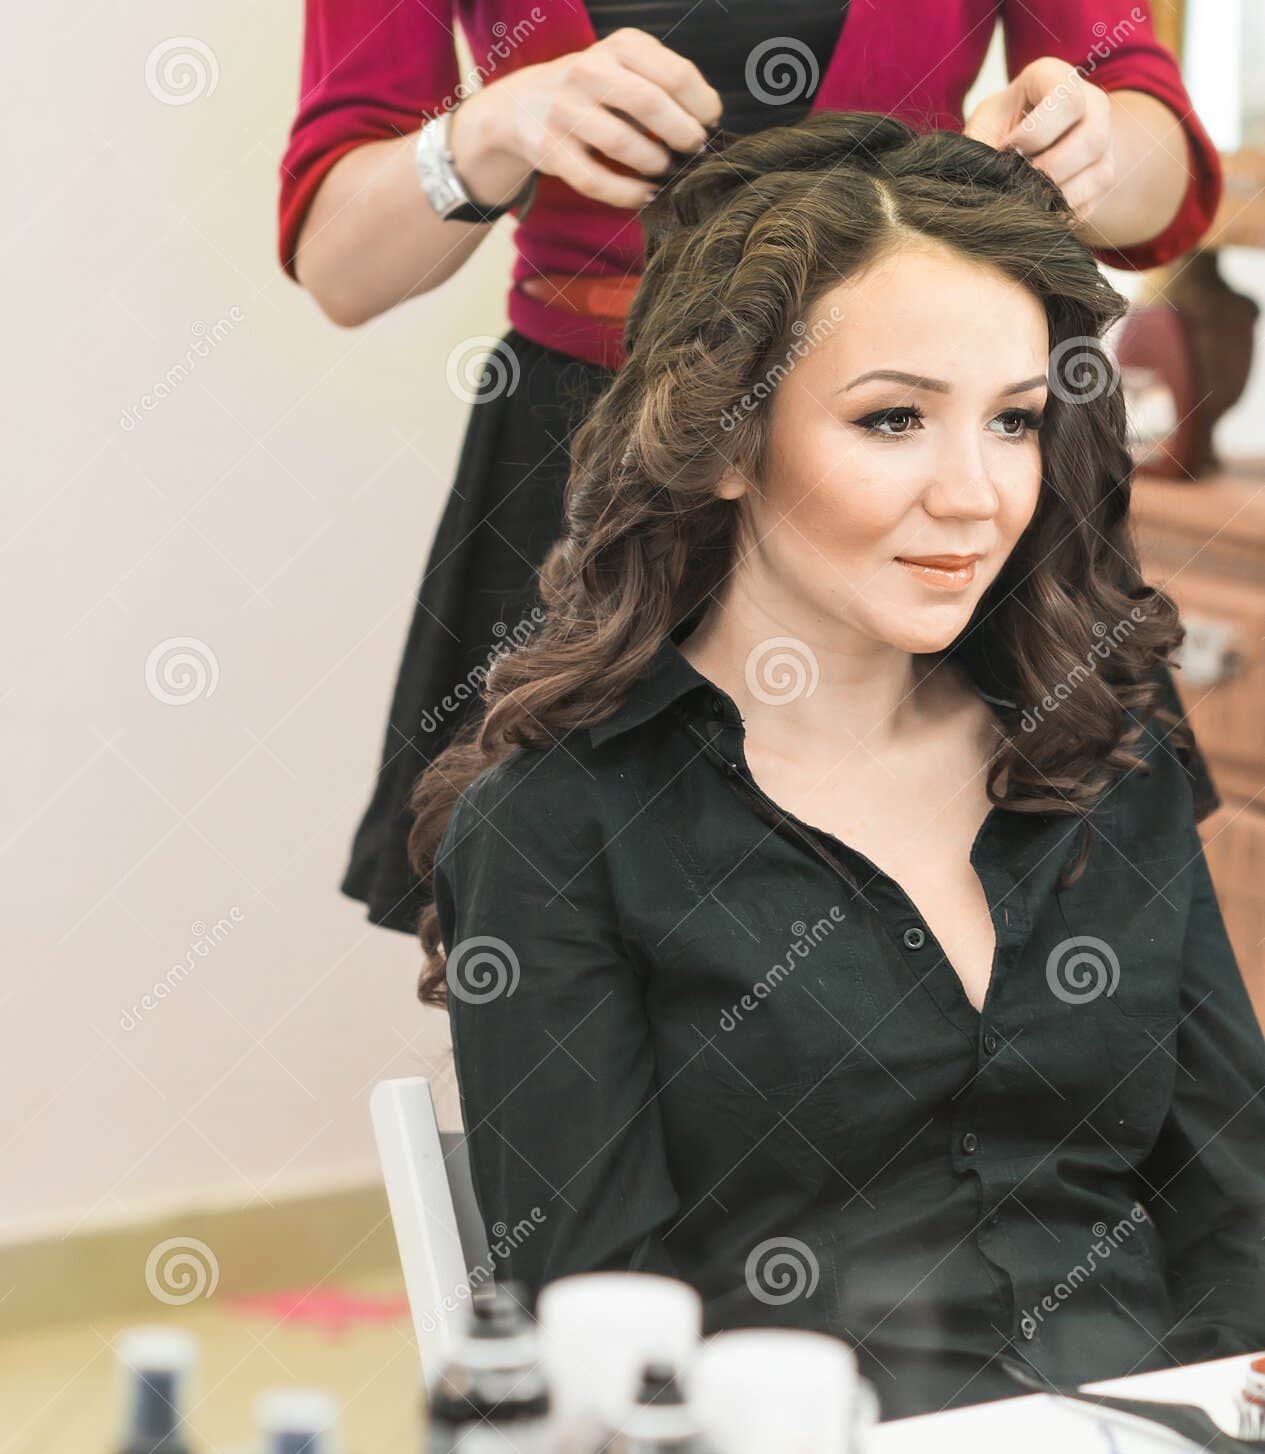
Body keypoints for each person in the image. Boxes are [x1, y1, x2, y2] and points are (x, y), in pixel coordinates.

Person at [409, 111, 1265, 1422]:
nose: (975, 494)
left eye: (1014, 421)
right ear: (732, 439)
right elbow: (607, 1337)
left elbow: (1238, 1213)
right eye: (891, 420)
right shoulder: (555, 831)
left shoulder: (1111, 750)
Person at [278, 0, 1223, 936]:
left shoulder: (959, 487)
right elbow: (342, 264)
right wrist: (491, 128)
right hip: (589, 457)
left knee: (1059, 920)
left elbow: (1161, 184)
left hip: (910, 441)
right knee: (564, 926)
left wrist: (1093, 140)